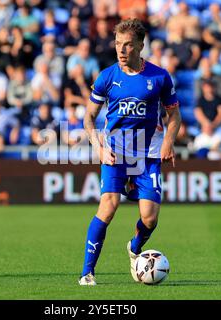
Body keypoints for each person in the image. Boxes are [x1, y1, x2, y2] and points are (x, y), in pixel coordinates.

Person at [79, 19, 181, 285]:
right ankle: (87, 272)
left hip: (147, 155)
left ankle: (135, 247)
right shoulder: (107, 77)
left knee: (150, 217)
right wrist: (98, 147)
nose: (121, 50)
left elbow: (174, 115)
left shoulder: (159, 77)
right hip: (115, 153)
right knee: (108, 206)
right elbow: (88, 118)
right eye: (117, 44)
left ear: (140, 46)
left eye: (127, 45)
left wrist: (169, 141)